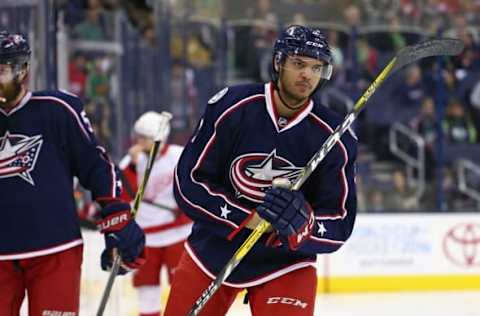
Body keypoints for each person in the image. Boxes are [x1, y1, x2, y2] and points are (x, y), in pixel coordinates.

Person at [164, 25, 358, 316]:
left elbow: (340, 223)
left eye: (317, 67)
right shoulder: (233, 106)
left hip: (286, 262)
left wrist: (303, 225)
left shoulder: (335, 137)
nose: (307, 74)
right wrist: (248, 219)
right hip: (214, 249)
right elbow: (188, 183)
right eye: (298, 64)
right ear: (278, 62)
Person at [0, 31, 145, 315]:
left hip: (55, 250)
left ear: (23, 71)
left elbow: (96, 165)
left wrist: (117, 216)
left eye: (1, 70)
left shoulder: (58, 109)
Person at [118, 111, 192, 316]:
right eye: (138, 136)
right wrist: (132, 166)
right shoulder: (130, 163)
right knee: (146, 288)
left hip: (178, 233)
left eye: (145, 137)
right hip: (146, 237)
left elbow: (193, 186)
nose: (140, 141)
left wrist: (186, 208)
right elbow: (123, 196)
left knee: (182, 286)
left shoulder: (179, 155)